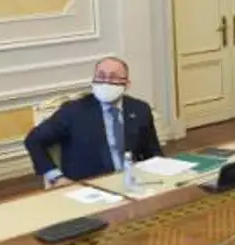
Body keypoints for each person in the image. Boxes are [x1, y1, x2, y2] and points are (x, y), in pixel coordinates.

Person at [24, 57, 162, 186]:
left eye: (113, 77)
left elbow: (153, 152)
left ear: (126, 84)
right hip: (90, 186)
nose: (106, 82)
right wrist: (56, 177)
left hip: (133, 182)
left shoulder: (139, 109)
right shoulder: (73, 111)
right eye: (101, 77)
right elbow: (33, 140)